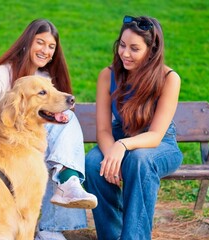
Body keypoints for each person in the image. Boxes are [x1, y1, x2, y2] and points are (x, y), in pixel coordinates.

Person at [0, 19, 97, 240]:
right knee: (45, 157)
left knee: (64, 124)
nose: (46, 50)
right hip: (4, 150)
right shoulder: (0, 74)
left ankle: (54, 217)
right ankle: (67, 184)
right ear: (27, 42)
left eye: (51, 46)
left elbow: (56, 116)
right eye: (41, 42)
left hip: (37, 147)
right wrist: (8, 129)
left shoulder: (45, 79)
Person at [84, 15, 183, 240]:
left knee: (141, 161)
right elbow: (103, 131)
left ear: (152, 50)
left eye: (134, 48)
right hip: (121, 136)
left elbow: (156, 136)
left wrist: (122, 146)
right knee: (92, 163)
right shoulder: (107, 75)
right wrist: (112, 153)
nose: (125, 54)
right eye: (122, 45)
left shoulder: (169, 78)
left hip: (160, 145)